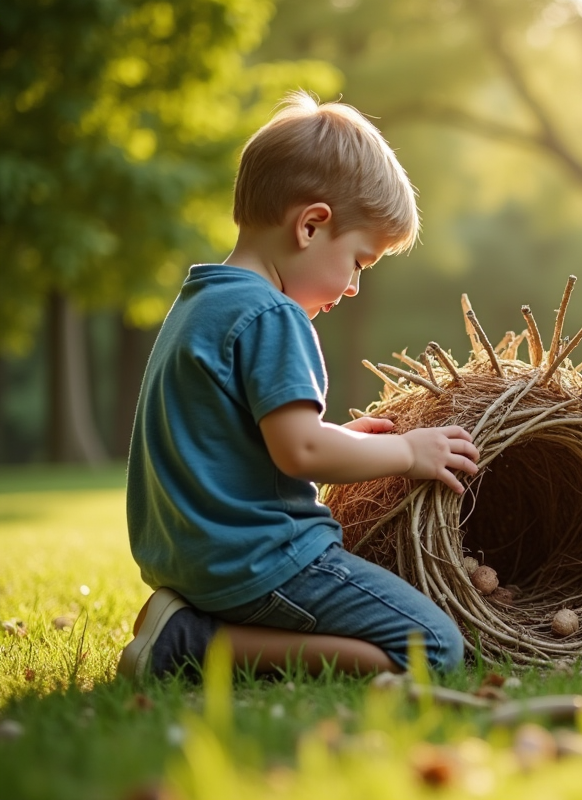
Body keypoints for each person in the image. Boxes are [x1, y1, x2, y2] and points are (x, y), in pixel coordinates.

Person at [117, 92, 479, 682]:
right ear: (311, 225)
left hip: (193, 559)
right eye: (360, 262)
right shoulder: (273, 315)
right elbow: (301, 450)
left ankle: (195, 626)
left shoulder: (200, 302)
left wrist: (340, 437)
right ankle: (193, 645)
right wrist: (409, 451)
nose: (356, 287)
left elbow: (244, 439)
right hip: (263, 560)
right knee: (434, 647)